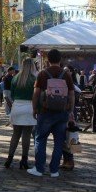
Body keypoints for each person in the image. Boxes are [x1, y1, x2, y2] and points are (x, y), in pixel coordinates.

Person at [28, 49, 74, 178]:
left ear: (48, 60)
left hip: (45, 111)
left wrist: (34, 108)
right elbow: (71, 94)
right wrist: (70, 110)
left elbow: (36, 93)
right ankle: (54, 170)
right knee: (59, 141)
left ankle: (39, 168)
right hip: (62, 112)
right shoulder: (66, 74)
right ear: (60, 60)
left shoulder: (42, 73)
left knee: (40, 139)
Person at [5, 58, 37, 169]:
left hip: (17, 106)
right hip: (29, 107)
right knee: (26, 135)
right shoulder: (34, 79)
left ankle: (9, 158)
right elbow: (36, 95)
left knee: (15, 134)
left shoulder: (15, 78)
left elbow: (12, 95)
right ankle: (24, 160)